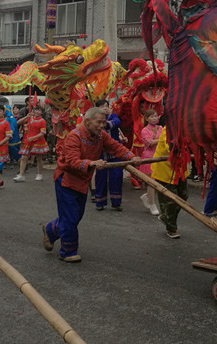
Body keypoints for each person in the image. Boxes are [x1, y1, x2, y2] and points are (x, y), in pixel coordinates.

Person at [43, 107, 138, 262]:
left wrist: (131, 157)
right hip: (66, 180)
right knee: (70, 217)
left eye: (104, 122)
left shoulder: (101, 136)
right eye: (98, 122)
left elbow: (115, 147)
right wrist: (92, 163)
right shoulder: (74, 136)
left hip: (82, 179)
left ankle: (50, 230)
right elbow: (72, 161)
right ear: (87, 121)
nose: (102, 125)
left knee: (76, 216)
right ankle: (67, 251)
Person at [151, 119, 190, 238]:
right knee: (170, 200)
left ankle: (166, 216)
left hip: (180, 170)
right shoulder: (168, 129)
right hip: (165, 171)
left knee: (184, 196)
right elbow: (170, 148)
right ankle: (171, 227)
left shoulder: (188, 129)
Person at [93, 99, 128, 211]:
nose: (105, 108)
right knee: (100, 177)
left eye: (106, 106)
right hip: (100, 152)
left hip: (114, 151)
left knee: (117, 176)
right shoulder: (93, 119)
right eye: (102, 106)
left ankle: (116, 202)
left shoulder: (113, 116)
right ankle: (100, 202)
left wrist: (103, 123)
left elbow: (116, 123)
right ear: (97, 108)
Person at [13, 105, 48, 182]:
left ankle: (39, 174)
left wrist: (33, 137)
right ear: (33, 111)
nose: (37, 112)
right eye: (36, 110)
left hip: (38, 141)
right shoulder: (29, 118)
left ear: (42, 112)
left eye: (39, 110)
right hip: (28, 141)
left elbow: (42, 133)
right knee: (24, 157)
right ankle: (21, 175)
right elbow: (18, 122)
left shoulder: (42, 121)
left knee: (39, 158)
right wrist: (26, 117)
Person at [138, 109, 161, 216]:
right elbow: (149, 143)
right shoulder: (144, 130)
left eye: (155, 116)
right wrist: (162, 139)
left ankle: (147, 196)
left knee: (158, 181)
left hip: (160, 157)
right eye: (151, 116)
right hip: (149, 158)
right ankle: (152, 204)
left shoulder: (161, 128)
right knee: (151, 182)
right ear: (147, 119)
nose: (154, 118)